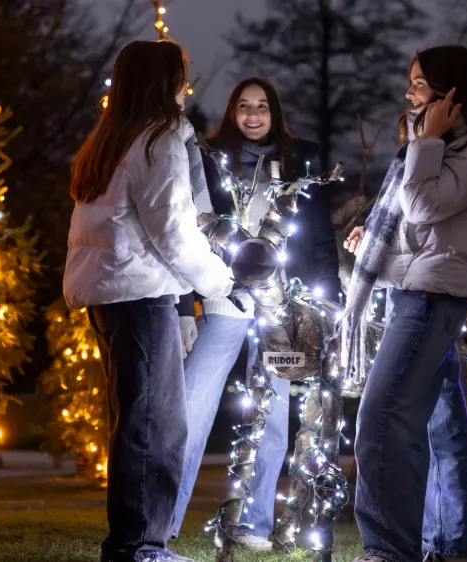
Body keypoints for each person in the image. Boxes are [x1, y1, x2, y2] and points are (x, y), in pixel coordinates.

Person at [63, 40, 236, 562]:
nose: (187, 87)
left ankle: (137, 543)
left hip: (113, 296)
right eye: (181, 77)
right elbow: (175, 233)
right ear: (165, 83)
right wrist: (220, 281)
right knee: (154, 427)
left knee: (138, 422)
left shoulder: (111, 140)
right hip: (140, 298)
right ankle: (138, 546)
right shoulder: (159, 141)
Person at [342, 45, 467, 562]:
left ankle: (390, 550)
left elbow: (420, 206)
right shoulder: (436, 146)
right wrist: (372, 237)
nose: (408, 92)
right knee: (444, 429)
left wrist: (430, 139)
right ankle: (448, 547)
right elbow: (418, 228)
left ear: (450, 91)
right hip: (415, 293)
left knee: (382, 419)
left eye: (418, 82)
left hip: (431, 301)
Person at [171, 77, 342, 550]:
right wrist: (190, 304)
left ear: (275, 112)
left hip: (281, 311)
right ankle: (161, 520)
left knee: (272, 420)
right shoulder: (212, 160)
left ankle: (255, 525)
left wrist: (329, 302)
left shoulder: (298, 162)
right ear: (232, 112)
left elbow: (321, 238)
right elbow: (192, 230)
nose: (252, 114)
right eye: (243, 105)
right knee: (192, 408)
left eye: (262, 106)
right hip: (225, 303)